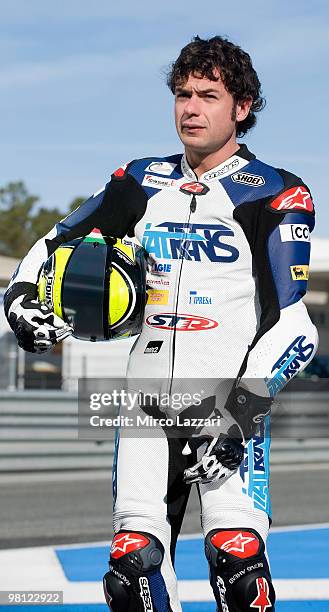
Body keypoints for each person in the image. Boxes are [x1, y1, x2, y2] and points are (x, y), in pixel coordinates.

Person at [4, 35, 318, 611]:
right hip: (142, 400)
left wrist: (239, 414)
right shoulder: (141, 180)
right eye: (181, 95)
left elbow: (295, 327)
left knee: (238, 562)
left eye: (208, 95)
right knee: (131, 569)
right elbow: (51, 243)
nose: (190, 108)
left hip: (228, 407)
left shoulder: (278, 191)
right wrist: (21, 297)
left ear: (241, 108)